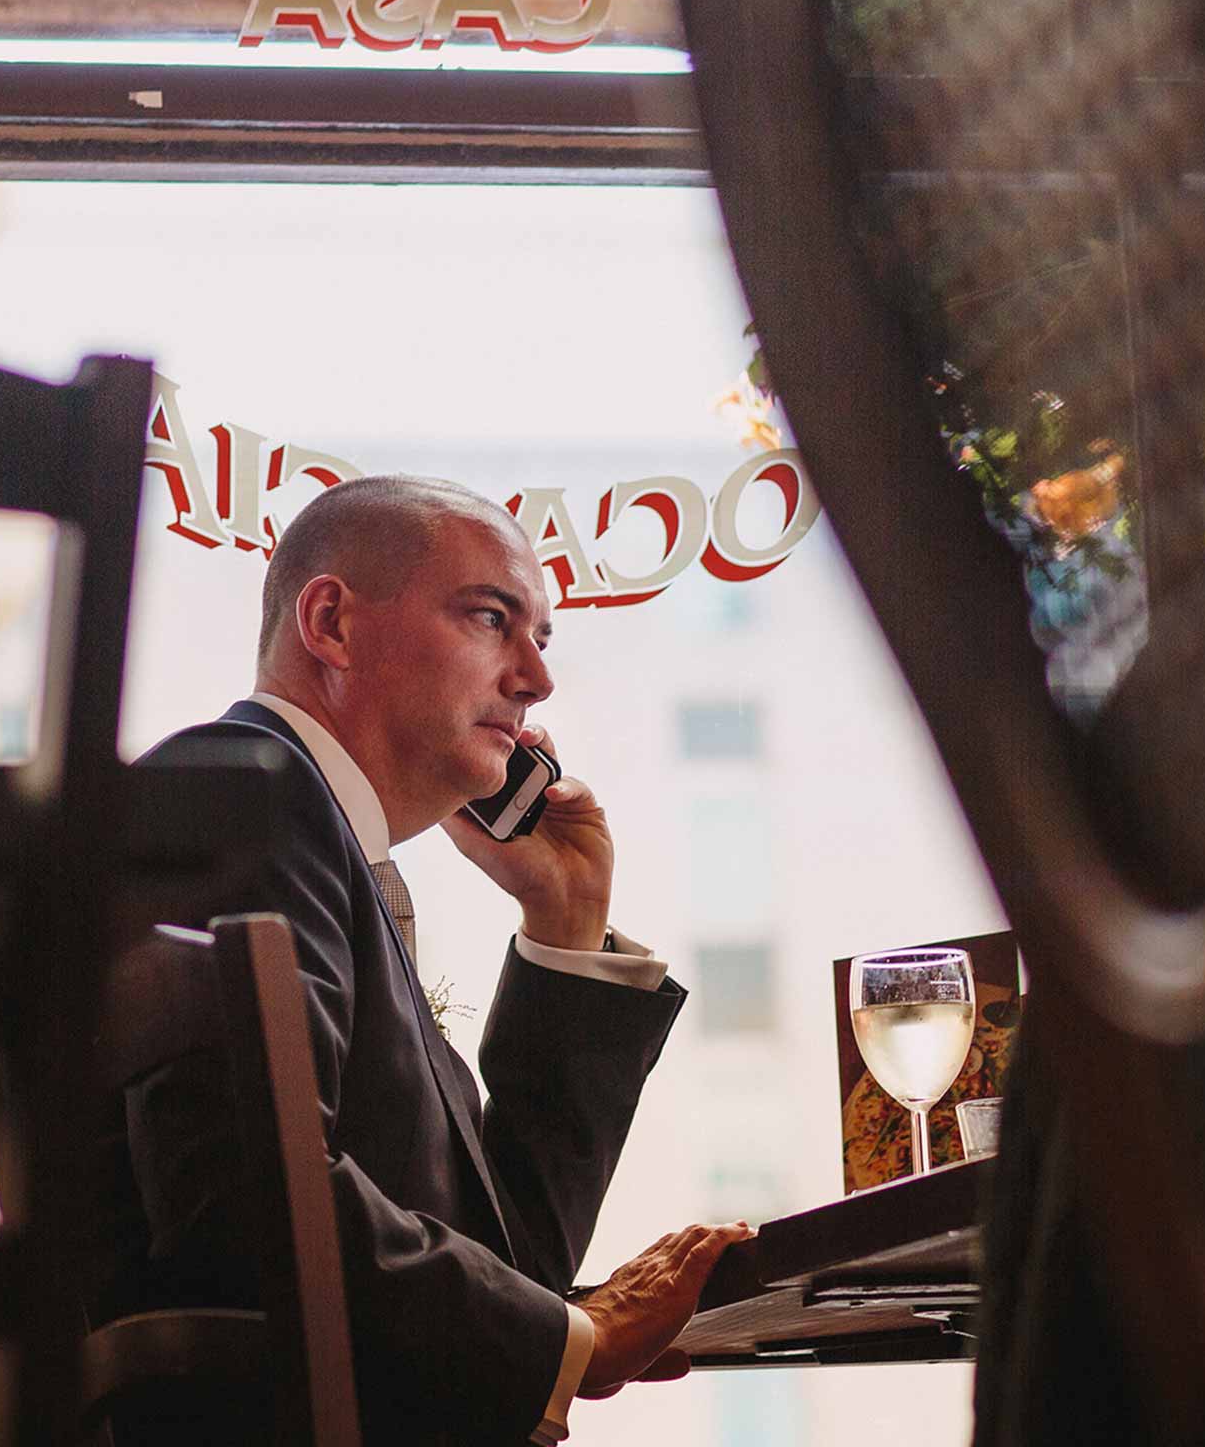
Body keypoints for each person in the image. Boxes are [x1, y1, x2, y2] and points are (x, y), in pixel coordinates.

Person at [88, 473, 750, 1445]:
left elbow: (507, 1264)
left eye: (542, 637)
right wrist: (572, 1340)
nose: (537, 677)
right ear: (332, 623)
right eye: (491, 618)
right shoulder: (236, 795)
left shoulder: (314, 838)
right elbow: (245, 1204)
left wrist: (564, 919)